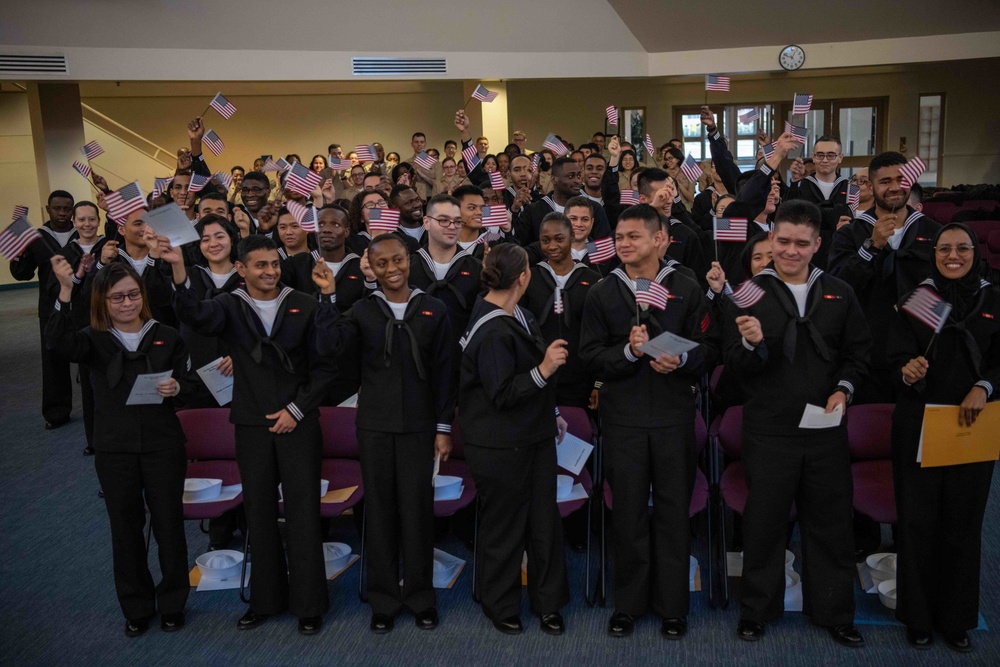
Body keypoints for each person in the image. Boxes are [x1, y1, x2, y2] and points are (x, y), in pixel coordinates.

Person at [166, 235, 334, 636]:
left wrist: (296, 409)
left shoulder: (306, 303)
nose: (270, 272)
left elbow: (327, 366)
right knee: (257, 515)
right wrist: (177, 269)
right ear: (241, 269)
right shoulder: (228, 305)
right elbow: (194, 316)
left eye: (274, 264)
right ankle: (265, 601)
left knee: (302, 514)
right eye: (260, 265)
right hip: (251, 425)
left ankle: (308, 605)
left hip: (298, 422)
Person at [724, 200, 871, 647]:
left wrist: (844, 389)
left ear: (817, 245)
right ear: (771, 240)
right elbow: (730, 368)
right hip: (769, 430)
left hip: (826, 429)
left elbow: (858, 355)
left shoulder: (840, 292)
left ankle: (834, 611)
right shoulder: (749, 292)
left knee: (829, 524)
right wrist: (749, 346)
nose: (790, 251)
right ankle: (757, 609)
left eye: (801, 243)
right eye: (782, 241)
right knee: (765, 524)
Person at [579, 203, 718, 640]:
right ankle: (629, 604)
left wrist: (682, 360)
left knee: (675, 513)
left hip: (675, 417)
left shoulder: (687, 286)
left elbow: (710, 347)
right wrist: (629, 353)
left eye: (633, 236)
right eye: (619, 237)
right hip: (624, 420)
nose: (623, 243)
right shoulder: (603, 291)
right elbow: (588, 356)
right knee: (630, 513)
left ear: (660, 239)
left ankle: (673, 606)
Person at [313, 233, 456, 633]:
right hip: (374, 426)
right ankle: (383, 600)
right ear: (370, 269)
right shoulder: (361, 310)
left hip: (420, 429)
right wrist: (326, 297)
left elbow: (447, 373)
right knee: (378, 514)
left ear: (409, 260)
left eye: (398, 261)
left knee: (417, 513)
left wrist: (443, 428)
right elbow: (329, 347)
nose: (392, 269)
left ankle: (420, 596)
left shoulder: (434, 309)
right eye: (382, 264)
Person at [47, 260, 191, 637]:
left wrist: (177, 388)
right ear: (103, 301)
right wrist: (65, 291)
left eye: (133, 294)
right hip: (114, 448)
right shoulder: (92, 338)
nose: (127, 303)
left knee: (169, 525)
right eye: (117, 298)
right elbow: (57, 344)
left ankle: (173, 602)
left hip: (163, 444)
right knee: (125, 528)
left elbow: (189, 382)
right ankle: (137, 606)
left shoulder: (166, 334)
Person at [888, 223, 999, 653]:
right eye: (944, 249)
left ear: (976, 252)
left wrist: (984, 386)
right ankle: (917, 618)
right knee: (917, 524)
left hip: (974, 427)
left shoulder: (993, 299)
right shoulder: (920, 299)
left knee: (963, 524)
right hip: (919, 422)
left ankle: (956, 620)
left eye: (962, 248)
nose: (953, 256)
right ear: (933, 255)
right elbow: (892, 356)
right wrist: (906, 369)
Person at [459, 243, 570, 636]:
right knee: (504, 528)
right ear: (522, 277)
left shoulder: (518, 313)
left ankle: (548, 603)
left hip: (534, 435)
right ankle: (500, 604)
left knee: (544, 523)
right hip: (498, 444)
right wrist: (544, 369)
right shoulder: (491, 327)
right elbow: (502, 393)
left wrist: (552, 412)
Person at [827, 152, 941, 404]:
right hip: (869, 350)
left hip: (923, 353)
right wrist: (871, 246)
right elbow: (838, 288)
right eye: (885, 181)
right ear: (872, 185)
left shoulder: (935, 232)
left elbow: (947, 290)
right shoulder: (850, 234)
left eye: (900, 179)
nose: (894, 187)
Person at [9, 189, 77, 429]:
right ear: (48, 209)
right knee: (53, 361)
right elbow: (21, 273)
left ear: (72, 210)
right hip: (51, 309)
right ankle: (57, 412)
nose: (61, 213)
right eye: (57, 208)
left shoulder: (81, 233)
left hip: (81, 307)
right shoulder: (36, 237)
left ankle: (98, 408)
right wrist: (18, 253)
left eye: (66, 208)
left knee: (91, 355)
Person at [46, 201, 110, 453]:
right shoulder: (66, 253)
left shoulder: (109, 247)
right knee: (89, 387)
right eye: (81, 219)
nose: (87, 224)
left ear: (98, 220)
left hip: (111, 323)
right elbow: (59, 292)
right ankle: (93, 440)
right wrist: (79, 274)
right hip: (83, 326)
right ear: (74, 223)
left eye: (91, 219)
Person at [519, 213, 601, 408]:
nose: (552, 246)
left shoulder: (592, 280)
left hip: (580, 378)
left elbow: (600, 333)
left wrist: (598, 383)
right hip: (539, 374)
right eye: (545, 240)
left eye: (559, 239)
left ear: (572, 238)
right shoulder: (530, 278)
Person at [408, 194, 483, 344]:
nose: (451, 226)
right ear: (427, 222)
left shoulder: (477, 268)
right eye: (443, 220)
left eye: (457, 221)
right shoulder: (408, 266)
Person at [785, 136, 853, 269]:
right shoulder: (800, 185)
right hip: (806, 255)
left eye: (831, 155)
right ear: (813, 157)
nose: (825, 160)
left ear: (840, 157)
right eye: (820, 155)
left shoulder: (851, 188)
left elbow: (856, 220)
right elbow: (788, 215)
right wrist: (794, 182)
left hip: (840, 254)